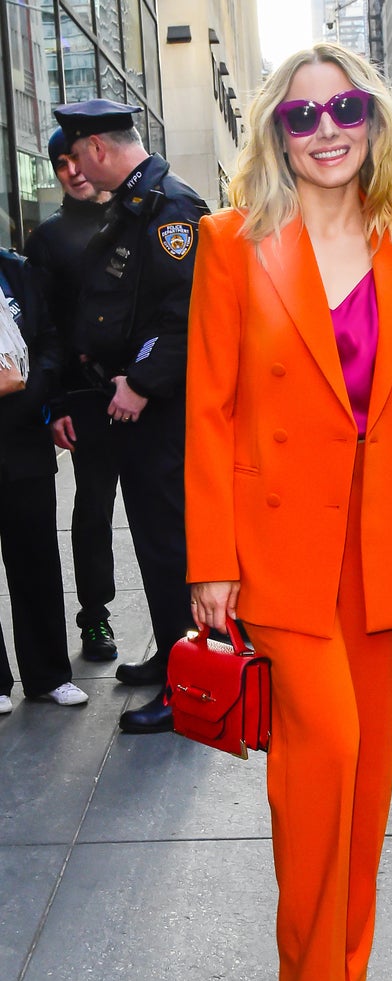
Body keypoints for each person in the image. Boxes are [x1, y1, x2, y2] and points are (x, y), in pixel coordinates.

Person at [185, 43, 392, 981]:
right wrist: (209, 560)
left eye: (344, 107)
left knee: (371, 777)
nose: (325, 131)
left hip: (387, 542)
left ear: (374, 118)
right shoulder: (232, 243)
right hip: (277, 549)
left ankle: (348, 964)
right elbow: (211, 414)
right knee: (324, 760)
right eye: (302, 116)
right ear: (277, 131)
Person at [54, 99, 210, 732]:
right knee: (151, 538)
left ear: (96, 147)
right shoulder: (133, 203)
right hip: (132, 403)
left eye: (78, 153)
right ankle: (172, 653)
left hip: (160, 406)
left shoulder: (170, 207)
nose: (79, 166)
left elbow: (186, 311)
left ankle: (189, 681)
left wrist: (142, 382)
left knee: (169, 541)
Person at [25, 127, 118, 662]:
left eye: (77, 158)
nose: (73, 171)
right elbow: (44, 331)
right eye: (60, 164)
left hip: (150, 393)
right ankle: (95, 617)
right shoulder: (48, 240)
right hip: (84, 398)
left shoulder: (137, 219)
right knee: (93, 511)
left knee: (166, 510)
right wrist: (55, 405)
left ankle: (178, 620)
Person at [0, 247, 89, 712]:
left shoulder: (16, 270)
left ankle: (48, 674)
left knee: (35, 558)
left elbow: (51, 341)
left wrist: (36, 392)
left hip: (22, 438)